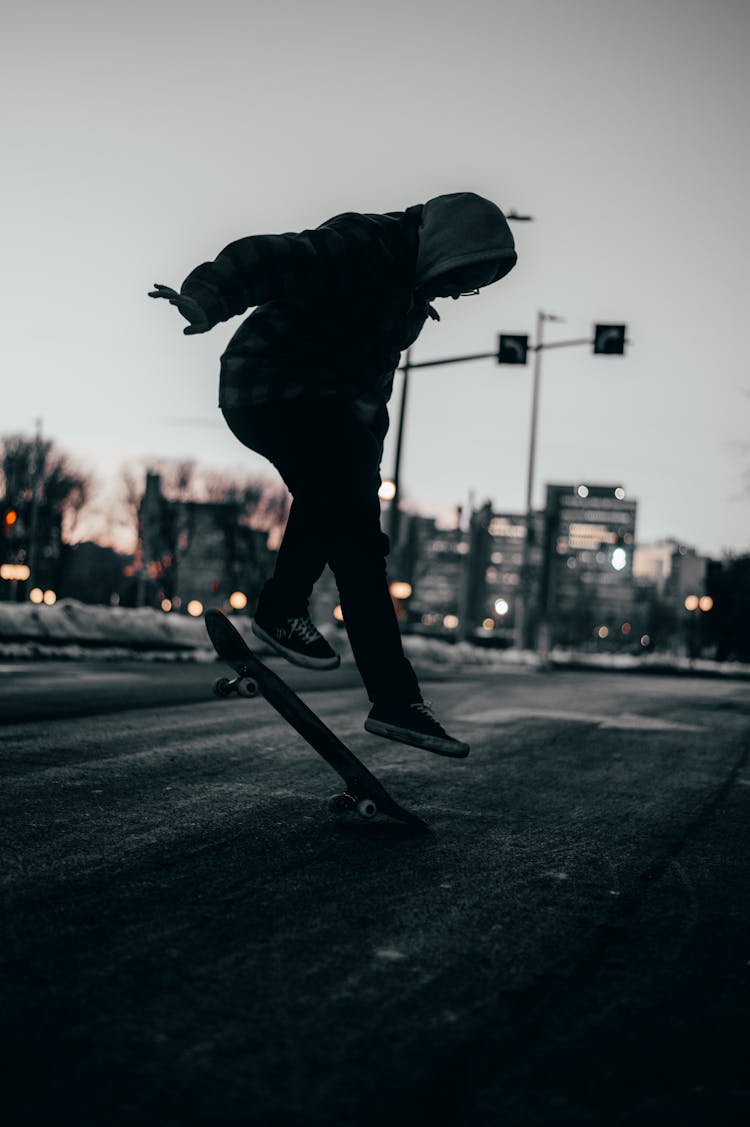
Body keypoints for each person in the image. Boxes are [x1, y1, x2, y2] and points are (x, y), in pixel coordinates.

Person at [149, 191, 517, 758]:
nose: (457, 293)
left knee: (356, 540)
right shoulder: (364, 245)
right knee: (347, 516)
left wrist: (367, 466)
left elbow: (371, 383)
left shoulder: (406, 295)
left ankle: (391, 697)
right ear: (445, 248)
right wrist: (208, 296)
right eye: (461, 279)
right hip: (269, 386)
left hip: (327, 409)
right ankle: (286, 611)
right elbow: (271, 256)